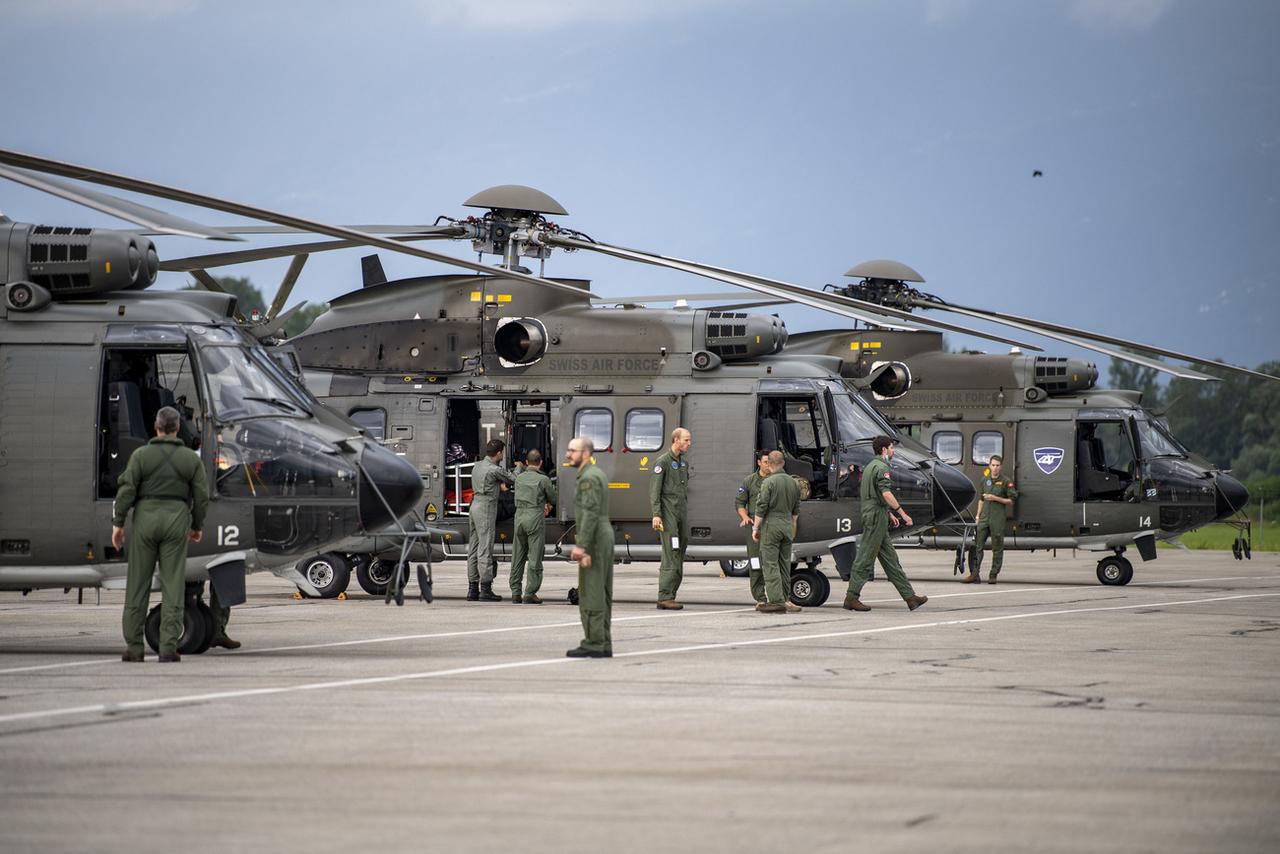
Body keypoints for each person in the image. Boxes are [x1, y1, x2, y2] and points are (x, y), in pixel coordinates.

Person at [111, 406, 209, 662]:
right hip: (176, 518)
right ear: (177, 428)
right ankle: (168, 647)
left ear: (157, 427)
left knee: (137, 584)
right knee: (173, 584)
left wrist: (118, 523)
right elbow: (201, 496)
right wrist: (197, 526)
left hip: (145, 518)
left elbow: (127, 488)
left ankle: (134, 647)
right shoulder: (190, 459)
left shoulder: (141, 456)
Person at [842, 436, 928, 613]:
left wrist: (888, 513)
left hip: (877, 515)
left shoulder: (869, 467)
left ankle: (910, 598)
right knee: (865, 558)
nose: (893, 451)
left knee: (891, 560)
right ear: (883, 450)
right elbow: (886, 493)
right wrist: (903, 514)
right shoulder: (882, 467)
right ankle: (851, 597)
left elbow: (873, 494)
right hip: (875, 517)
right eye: (891, 448)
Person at [566, 437, 614, 658]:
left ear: (585, 453)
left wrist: (582, 545)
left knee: (591, 590)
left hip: (594, 537)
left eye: (572, 451)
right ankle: (602, 641)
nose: (568, 454)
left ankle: (594, 642)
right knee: (601, 590)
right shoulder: (596, 474)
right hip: (601, 533)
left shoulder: (589, 478)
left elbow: (590, 512)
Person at [753, 450, 801, 614]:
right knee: (784, 564)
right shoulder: (794, 482)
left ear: (770, 464)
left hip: (771, 526)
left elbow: (761, 507)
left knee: (770, 564)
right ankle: (786, 598)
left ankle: (776, 600)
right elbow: (796, 510)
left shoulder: (768, 482)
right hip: (787, 525)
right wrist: (793, 526)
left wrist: (755, 528)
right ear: (783, 463)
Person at [466, 439, 515, 602]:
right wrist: (520, 467)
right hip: (486, 507)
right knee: (485, 548)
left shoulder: (478, 466)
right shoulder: (494, 470)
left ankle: (472, 589)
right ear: (499, 453)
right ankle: (485, 589)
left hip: (474, 506)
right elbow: (513, 479)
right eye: (502, 452)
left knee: (473, 548)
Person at [650, 427, 691, 610]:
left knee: (680, 552)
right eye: (686, 440)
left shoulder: (683, 463)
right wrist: (657, 515)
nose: (689, 444)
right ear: (676, 440)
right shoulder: (663, 462)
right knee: (671, 554)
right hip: (668, 515)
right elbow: (655, 491)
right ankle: (664, 596)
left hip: (681, 514)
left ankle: (672, 594)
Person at [510, 449, 555, 604]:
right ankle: (530, 592)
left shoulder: (519, 478)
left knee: (517, 555)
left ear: (527, 462)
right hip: (534, 517)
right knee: (535, 557)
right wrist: (547, 504)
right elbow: (553, 498)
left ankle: (515, 592)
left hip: (519, 517)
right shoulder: (543, 480)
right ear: (541, 462)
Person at [967, 454, 1018, 584]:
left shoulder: (1006, 482)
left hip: (997, 519)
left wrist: (995, 498)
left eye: (997, 466)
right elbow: (981, 500)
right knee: (977, 546)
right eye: (993, 465)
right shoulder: (984, 480)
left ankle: (993, 574)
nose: (995, 468)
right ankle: (974, 574)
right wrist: (978, 516)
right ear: (989, 466)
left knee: (997, 548)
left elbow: (1012, 501)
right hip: (984, 518)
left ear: (1001, 467)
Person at [735, 451, 771, 605]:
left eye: (770, 462)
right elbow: (739, 503)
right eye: (765, 462)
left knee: (772, 561)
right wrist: (745, 517)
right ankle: (760, 597)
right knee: (755, 561)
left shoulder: (777, 480)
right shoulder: (749, 481)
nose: (768, 465)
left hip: (772, 525)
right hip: (754, 526)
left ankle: (778, 596)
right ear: (759, 462)